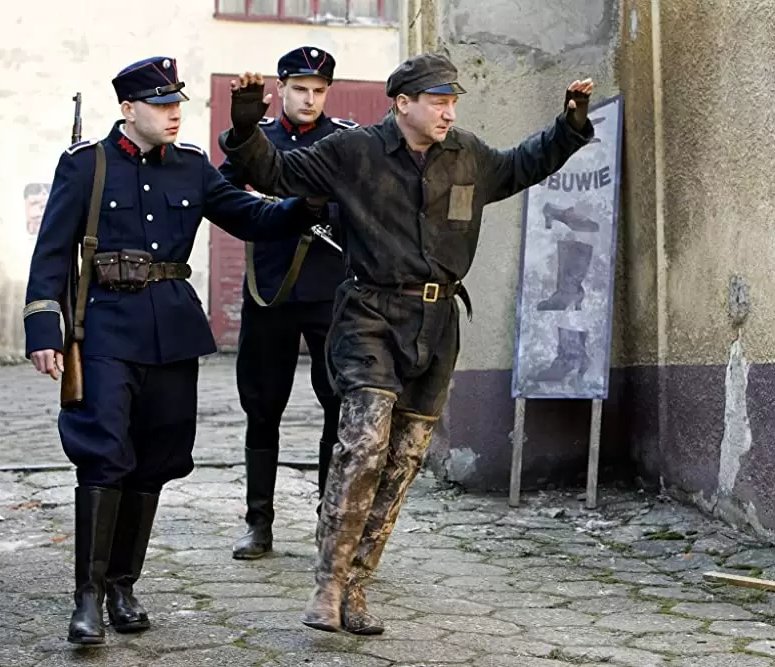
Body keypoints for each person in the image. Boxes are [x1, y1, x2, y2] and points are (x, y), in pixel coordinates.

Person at [217, 52, 595, 635]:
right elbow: (276, 174)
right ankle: (328, 584)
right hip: (370, 314)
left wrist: (568, 125)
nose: (449, 112)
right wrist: (245, 125)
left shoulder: (467, 154)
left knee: (402, 462)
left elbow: (523, 165)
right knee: (363, 445)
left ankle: (357, 586)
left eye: (452, 102)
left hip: (437, 325)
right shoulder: (354, 151)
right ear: (403, 104)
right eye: (438, 101)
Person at [22, 56, 317, 645]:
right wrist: (43, 330)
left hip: (173, 333)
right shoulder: (87, 164)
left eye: (177, 103)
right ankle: (87, 599)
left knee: (156, 459)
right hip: (103, 330)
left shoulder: (191, 167)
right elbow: (51, 252)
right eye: (160, 105)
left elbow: (250, 216)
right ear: (128, 109)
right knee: (103, 453)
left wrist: (307, 205)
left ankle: (122, 587)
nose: (173, 113)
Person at [219, 46, 358, 561]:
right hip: (270, 291)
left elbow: (364, 204)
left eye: (319, 91)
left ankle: (329, 524)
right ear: (281, 89)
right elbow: (222, 196)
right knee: (262, 407)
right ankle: (258, 523)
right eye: (300, 89)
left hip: (329, 292)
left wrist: (327, 212)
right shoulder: (258, 141)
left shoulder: (345, 141)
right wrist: (265, 208)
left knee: (337, 406)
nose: (309, 99)